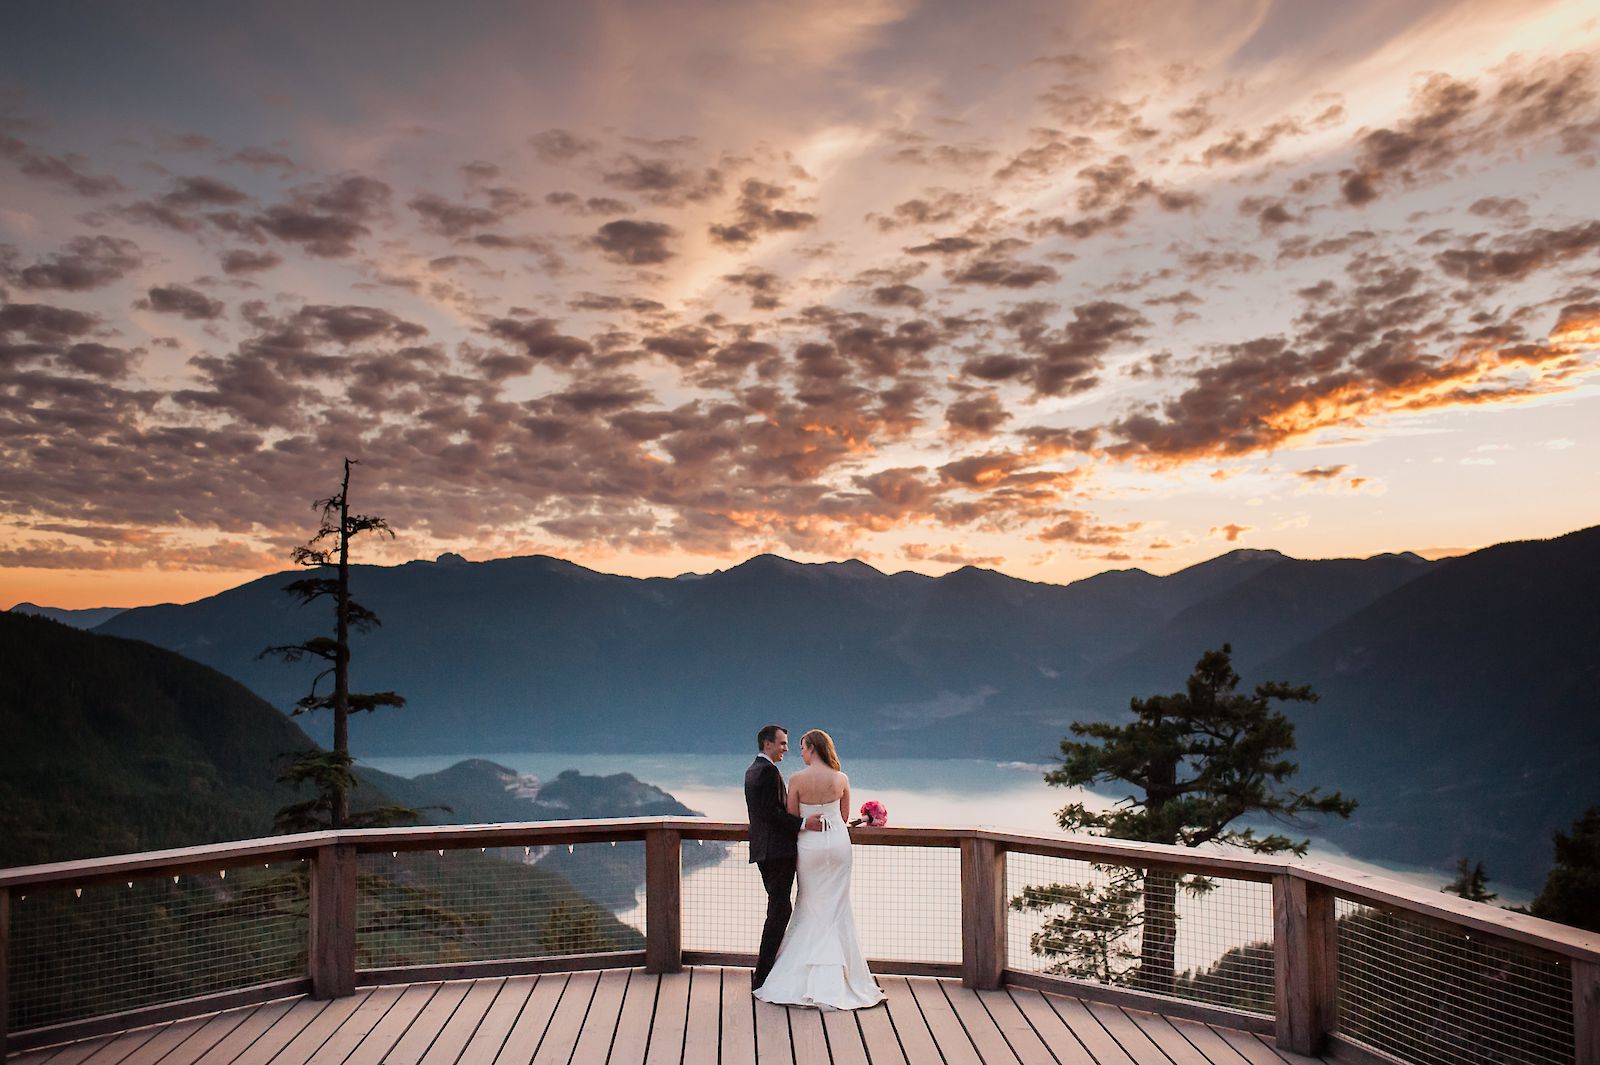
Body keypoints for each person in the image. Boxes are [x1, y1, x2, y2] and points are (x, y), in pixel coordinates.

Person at [752, 728, 885, 1010]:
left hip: (810, 846)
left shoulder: (797, 779)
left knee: (810, 904)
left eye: (802, 747)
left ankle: (801, 974)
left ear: (813, 748)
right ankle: (844, 976)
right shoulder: (841, 779)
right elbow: (844, 816)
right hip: (838, 844)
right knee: (838, 907)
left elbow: (790, 815)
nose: (799, 753)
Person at [745, 724, 822, 990]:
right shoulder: (768, 773)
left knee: (777, 908)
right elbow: (772, 813)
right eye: (782, 744)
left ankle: (767, 970)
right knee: (780, 910)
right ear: (768, 744)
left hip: (765, 850)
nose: (786, 749)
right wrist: (803, 824)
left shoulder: (753, 770)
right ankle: (764, 974)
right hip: (777, 852)